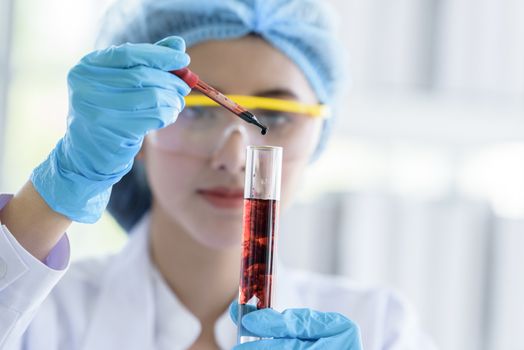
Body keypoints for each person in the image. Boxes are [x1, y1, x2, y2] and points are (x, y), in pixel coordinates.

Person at [0, 0, 436, 349]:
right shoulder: (38, 317)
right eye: (196, 112)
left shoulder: (380, 329)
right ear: (137, 126)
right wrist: (64, 181)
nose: (234, 157)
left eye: (276, 116)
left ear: (321, 134)